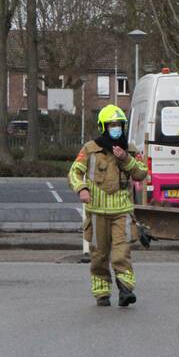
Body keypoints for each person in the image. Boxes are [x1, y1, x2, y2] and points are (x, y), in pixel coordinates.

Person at [68, 105, 149, 307]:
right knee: (99, 256)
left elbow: (141, 173)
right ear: (103, 127)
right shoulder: (90, 149)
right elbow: (74, 172)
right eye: (111, 125)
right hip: (97, 214)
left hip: (122, 213)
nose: (116, 128)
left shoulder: (130, 149)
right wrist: (81, 189)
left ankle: (125, 290)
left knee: (121, 253)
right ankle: (102, 293)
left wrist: (126, 159)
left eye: (119, 125)